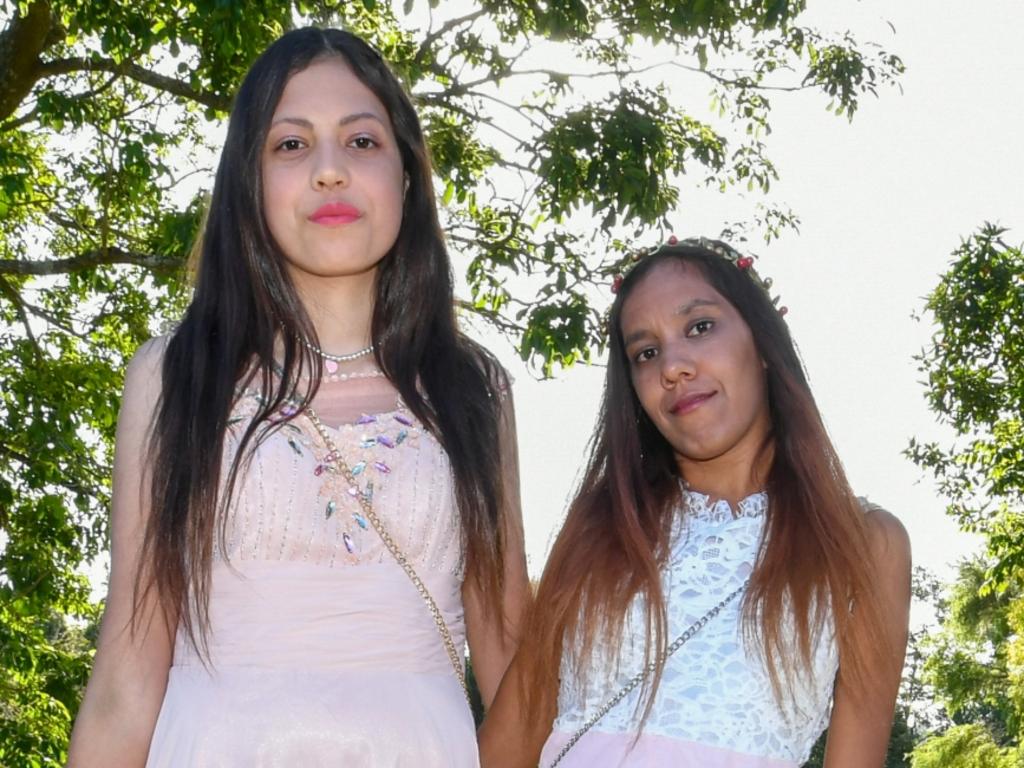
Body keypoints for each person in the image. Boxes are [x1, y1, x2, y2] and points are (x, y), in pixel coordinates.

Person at [67, 27, 528, 767]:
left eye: (362, 142)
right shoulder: (172, 376)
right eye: (291, 144)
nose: (328, 172)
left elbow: (512, 661)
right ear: (248, 180)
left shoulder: (475, 389)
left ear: (406, 177)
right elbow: (125, 677)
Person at [479, 238, 911, 767]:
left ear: (763, 344)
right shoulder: (602, 528)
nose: (673, 367)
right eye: (646, 352)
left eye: (700, 327)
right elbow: (508, 741)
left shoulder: (866, 544)